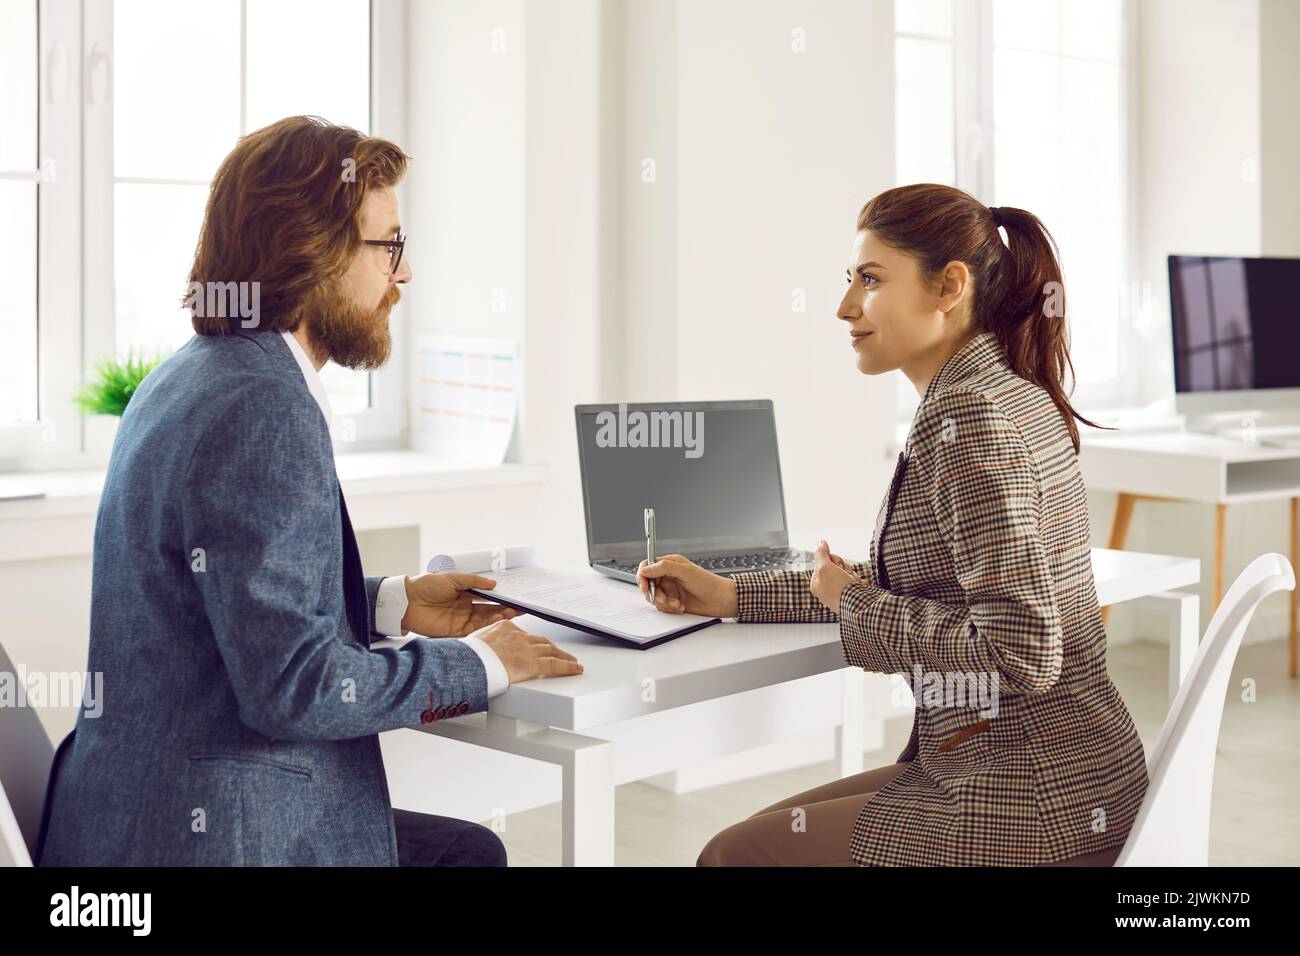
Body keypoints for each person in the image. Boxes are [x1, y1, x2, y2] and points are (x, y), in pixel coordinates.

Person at [37, 116, 582, 867]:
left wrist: (391, 601)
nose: (404, 274)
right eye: (388, 245)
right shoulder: (264, 405)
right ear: (313, 252)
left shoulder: (192, 374)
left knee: (465, 851)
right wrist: (485, 662)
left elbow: (230, 588)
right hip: (210, 836)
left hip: (124, 812)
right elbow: (296, 688)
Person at [638, 183, 1148, 866]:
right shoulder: (1002, 392)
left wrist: (852, 600)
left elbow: (1023, 650)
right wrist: (732, 596)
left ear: (950, 288)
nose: (845, 306)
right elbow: (923, 587)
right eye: (849, 280)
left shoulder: (970, 420)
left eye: (871, 281)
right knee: (759, 834)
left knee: (737, 858)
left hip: (1032, 794)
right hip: (1069, 775)